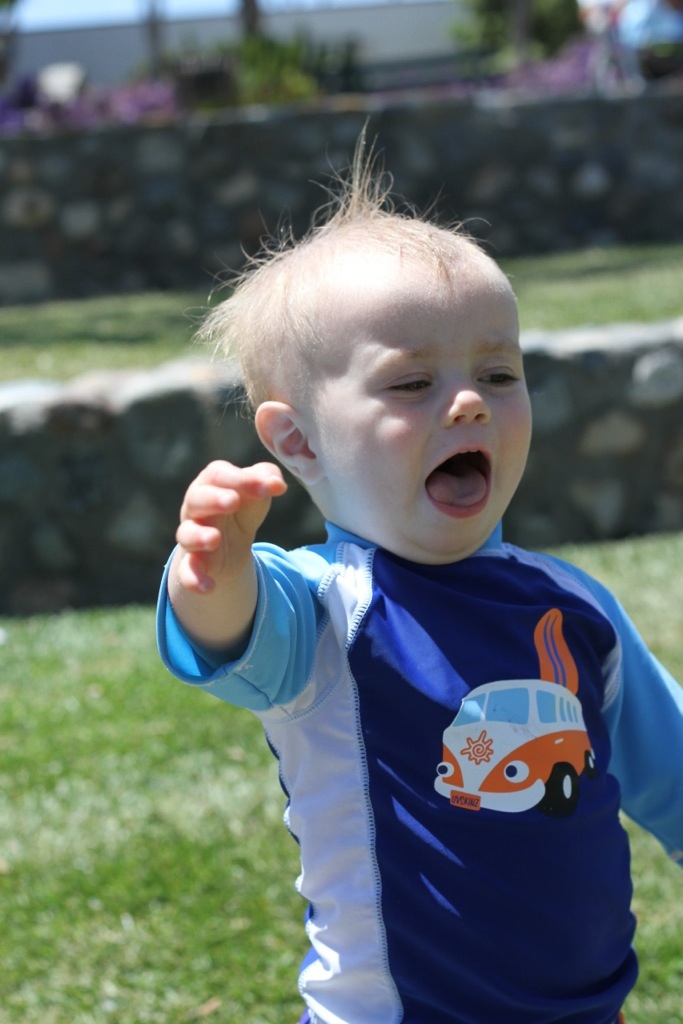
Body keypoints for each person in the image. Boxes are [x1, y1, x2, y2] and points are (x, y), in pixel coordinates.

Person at [157, 143, 683, 1024]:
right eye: (411, 382)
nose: (469, 402)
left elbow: (670, 767)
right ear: (298, 442)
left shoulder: (572, 609)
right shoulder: (321, 608)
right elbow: (230, 633)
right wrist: (210, 567)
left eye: (497, 374)